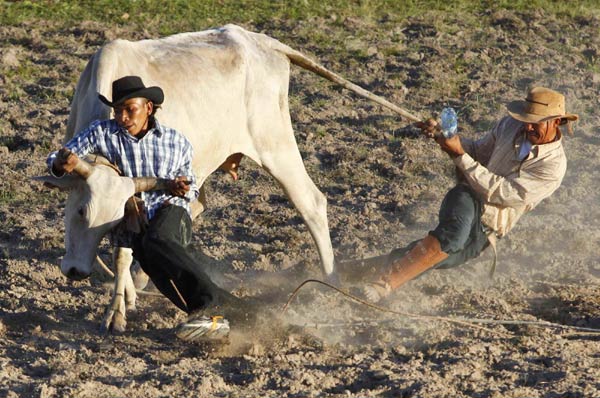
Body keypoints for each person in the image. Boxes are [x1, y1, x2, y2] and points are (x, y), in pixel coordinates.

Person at [47, 75, 251, 340]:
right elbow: (59, 155)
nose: (122, 117)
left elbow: (191, 185)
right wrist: (61, 163)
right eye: (117, 110)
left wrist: (183, 188)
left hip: (170, 208)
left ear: (148, 108)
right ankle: (236, 315)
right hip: (135, 224)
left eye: (129, 109)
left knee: (157, 240)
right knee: (160, 270)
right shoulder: (101, 133)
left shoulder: (176, 141)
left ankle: (210, 306)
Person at [359, 86, 578, 303]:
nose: (528, 126)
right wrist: (445, 136)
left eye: (536, 121)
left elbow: (503, 192)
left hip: (492, 224)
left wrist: (458, 152)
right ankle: (382, 286)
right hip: (468, 196)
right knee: (452, 237)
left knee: (436, 257)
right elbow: (477, 152)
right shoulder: (510, 125)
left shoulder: (553, 166)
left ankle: (349, 272)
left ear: (557, 121)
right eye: (526, 119)